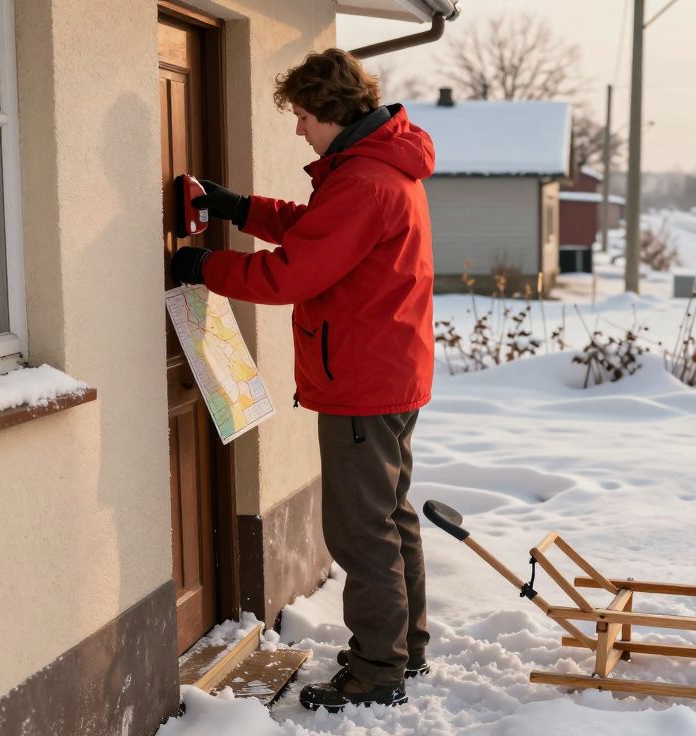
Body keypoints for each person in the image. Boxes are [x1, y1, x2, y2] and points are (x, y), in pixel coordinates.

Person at [169, 49, 435, 711]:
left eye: (303, 116)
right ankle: (405, 647)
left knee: (360, 529)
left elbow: (292, 273)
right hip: (387, 371)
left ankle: (378, 670)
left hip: (362, 382)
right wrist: (235, 208)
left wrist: (205, 269)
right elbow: (314, 232)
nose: (297, 130)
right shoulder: (374, 170)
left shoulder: (365, 181)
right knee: (389, 518)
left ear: (333, 111)